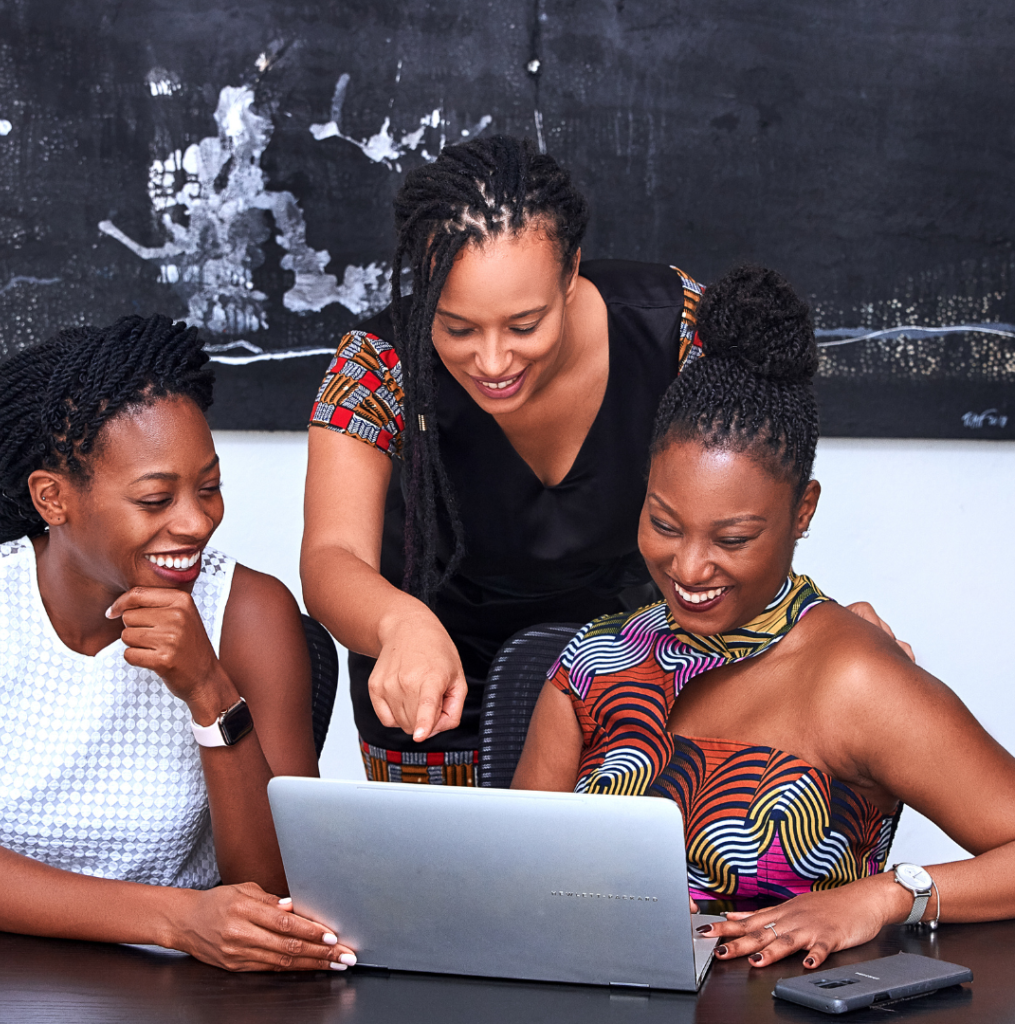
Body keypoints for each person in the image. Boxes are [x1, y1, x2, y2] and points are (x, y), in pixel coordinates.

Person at [301, 134, 906, 783]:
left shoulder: (677, 332)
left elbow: (747, 504)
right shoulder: (376, 364)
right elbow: (330, 557)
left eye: (525, 325)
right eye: (456, 328)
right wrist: (398, 624)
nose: (494, 360)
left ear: (571, 274)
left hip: (627, 688)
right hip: (432, 700)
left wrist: (815, 627)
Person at [512, 266, 1015, 969]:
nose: (688, 568)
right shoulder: (594, 662)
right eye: (664, 523)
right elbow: (511, 879)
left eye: (732, 539)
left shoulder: (854, 678)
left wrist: (886, 896)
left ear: (802, 511)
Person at [0, 315, 354, 972]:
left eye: (209, 488)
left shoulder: (247, 612)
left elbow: (282, 891)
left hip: (171, 995)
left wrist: (210, 692)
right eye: (156, 499)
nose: (195, 522)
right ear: (52, 498)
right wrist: (175, 919)